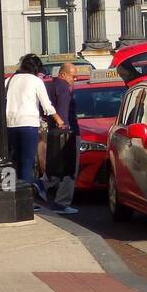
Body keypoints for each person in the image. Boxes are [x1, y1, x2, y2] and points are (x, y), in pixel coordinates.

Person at [5, 54, 65, 211]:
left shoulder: (9, 80)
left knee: (14, 161)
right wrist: (58, 119)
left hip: (10, 123)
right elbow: (47, 105)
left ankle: (11, 194)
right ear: (36, 69)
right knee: (27, 162)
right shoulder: (36, 81)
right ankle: (26, 200)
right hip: (28, 124)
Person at [42, 61, 80, 215]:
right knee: (70, 168)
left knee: (55, 166)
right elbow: (63, 114)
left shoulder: (50, 87)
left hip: (53, 132)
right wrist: (65, 128)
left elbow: (45, 109)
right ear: (63, 74)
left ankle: (39, 186)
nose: (75, 79)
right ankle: (61, 203)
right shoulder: (64, 89)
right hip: (67, 133)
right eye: (73, 76)